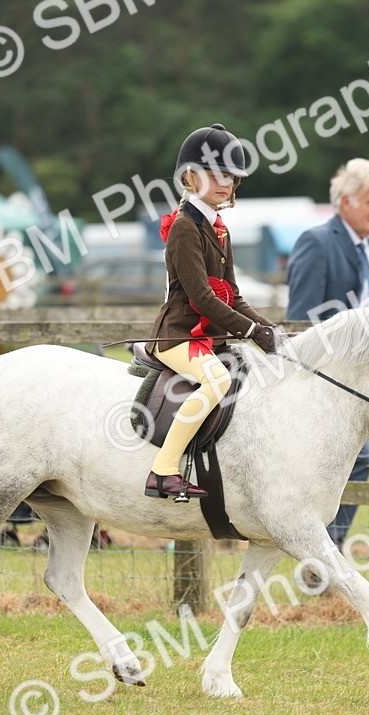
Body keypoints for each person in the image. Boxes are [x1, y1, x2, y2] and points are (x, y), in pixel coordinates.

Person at [144, 123, 280, 500]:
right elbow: (203, 299)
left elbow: (233, 297)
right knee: (217, 381)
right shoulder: (185, 227)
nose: (227, 183)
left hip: (207, 338)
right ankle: (163, 470)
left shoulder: (219, 229)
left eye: (232, 177)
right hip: (177, 336)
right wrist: (252, 333)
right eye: (218, 175)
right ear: (191, 175)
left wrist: (275, 332)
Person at [285, 158, 369, 546]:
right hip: (325, 378)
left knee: (357, 461)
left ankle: (323, 552)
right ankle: (323, 553)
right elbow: (301, 319)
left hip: (363, 382)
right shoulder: (318, 242)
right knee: (359, 460)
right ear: (347, 202)